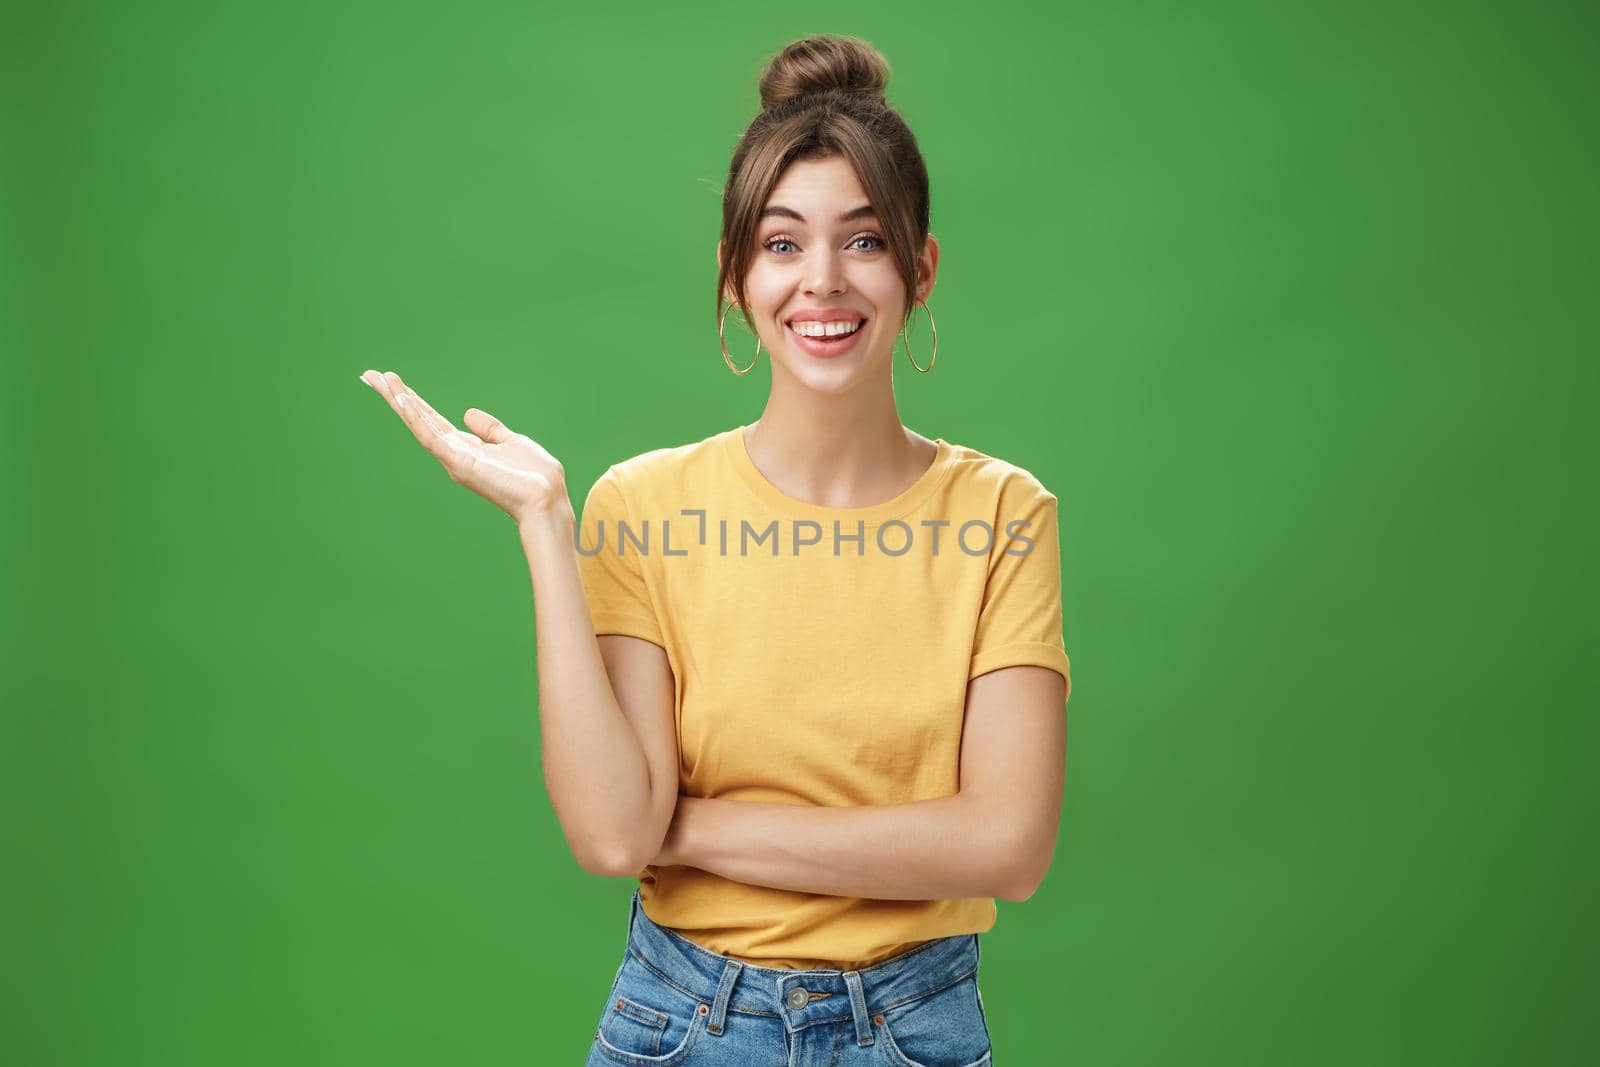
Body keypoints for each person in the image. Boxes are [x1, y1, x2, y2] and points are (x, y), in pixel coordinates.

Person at [360, 32, 1069, 1067]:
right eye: (781, 244)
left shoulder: (1003, 513)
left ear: (919, 268)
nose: (820, 280)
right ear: (736, 276)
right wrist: (548, 531)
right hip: (678, 1023)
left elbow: (1006, 846)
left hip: (914, 1028)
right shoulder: (642, 506)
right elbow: (610, 835)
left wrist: (686, 829)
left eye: (862, 241)